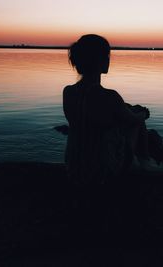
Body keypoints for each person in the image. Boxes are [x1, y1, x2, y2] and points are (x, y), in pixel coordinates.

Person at [63, 34, 151, 186]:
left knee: (128, 110)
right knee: (137, 123)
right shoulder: (110, 96)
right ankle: (145, 165)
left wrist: (128, 110)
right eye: (107, 55)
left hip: (73, 167)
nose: (109, 59)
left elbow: (92, 116)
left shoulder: (68, 92)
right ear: (99, 60)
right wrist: (143, 114)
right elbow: (133, 120)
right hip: (102, 172)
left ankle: (143, 164)